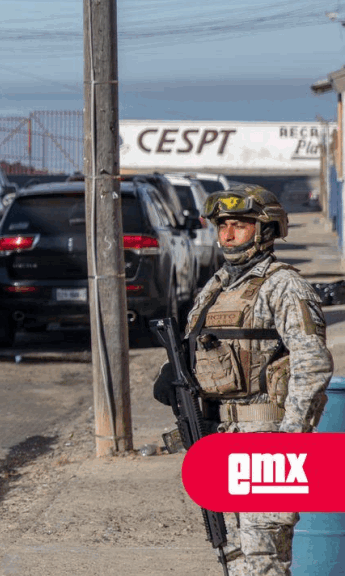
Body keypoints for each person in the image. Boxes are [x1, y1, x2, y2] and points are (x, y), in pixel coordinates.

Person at [155, 183, 334, 575]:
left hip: (267, 440)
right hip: (221, 441)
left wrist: (292, 440)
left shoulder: (284, 285)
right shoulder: (217, 287)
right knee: (233, 556)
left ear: (266, 229)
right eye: (223, 225)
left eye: (240, 224)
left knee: (262, 559)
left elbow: (312, 363)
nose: (228, 234)